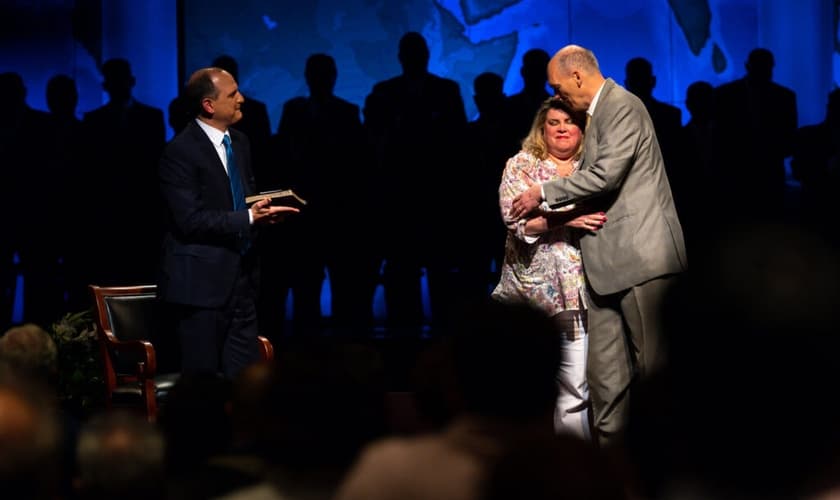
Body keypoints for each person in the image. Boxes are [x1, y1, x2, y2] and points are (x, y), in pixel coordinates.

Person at [509, 45, 687, 448]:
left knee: (654, 372)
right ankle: (611, 471)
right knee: (605, 379)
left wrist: (543, 192)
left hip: (642, 256)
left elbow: (606, 176)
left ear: (577, 76)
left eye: (558, 86)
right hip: (602, 264)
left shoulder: (623, 106)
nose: (557, 95)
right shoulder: (590, 117)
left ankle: (661, 471)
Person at [157, 67, 299, 379]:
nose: (242, 99)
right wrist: (248, 217)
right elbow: (189, 220)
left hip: (243, 281)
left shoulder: (240, 142)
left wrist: (261, 211)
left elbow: (238, 200)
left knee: (244, 382)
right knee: (203, 384)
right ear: (209, 105)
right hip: (201, 287)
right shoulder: (180, 152)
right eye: (233, 94)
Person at [493, 97, 606, 440]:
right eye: (554, 122)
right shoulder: (521, 165)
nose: (561, 129)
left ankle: (573, 477)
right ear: (542, 128)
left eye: (568, 122)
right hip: (528, 294)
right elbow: (516, 221)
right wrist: (571, 217)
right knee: (519, 387)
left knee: (575, 390)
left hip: (579, 295)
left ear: (582, 128)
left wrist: (547, 215)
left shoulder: (594, 170)